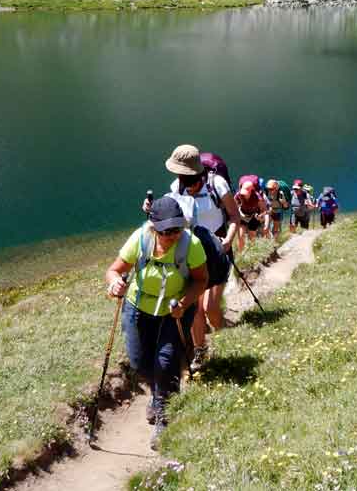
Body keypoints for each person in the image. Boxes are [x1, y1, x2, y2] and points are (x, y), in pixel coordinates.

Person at [105, 196, 208, 442]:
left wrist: (183, 304)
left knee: (166, 361)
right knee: (140, 362)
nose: (172, 235)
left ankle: (164, 414)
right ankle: (157, 394)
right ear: (154, 228)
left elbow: (201, 280)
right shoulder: (140, 239)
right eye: (166, 231)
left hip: (175, 310)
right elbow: (113, 270)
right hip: (138, 307)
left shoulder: (190, 244)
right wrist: (115, 284)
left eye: (176, 229)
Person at [154, 145, 243, 372]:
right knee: (195, 309)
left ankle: (224, 336)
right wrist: (151, 211)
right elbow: (170, 218)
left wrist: (229, 241)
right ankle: (201, 350)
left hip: (217, 251)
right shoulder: (176, 187)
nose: (180, 178)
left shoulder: (217, 185)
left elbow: (234, 216)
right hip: (192, 255)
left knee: (211, 307)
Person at [235, 175, 268, 249]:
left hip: (254, 216)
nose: (244, 195)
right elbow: (234, 207)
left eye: (246, 192)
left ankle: (252, 251)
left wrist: (260, 216)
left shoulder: (257, 197)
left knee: (252, 235)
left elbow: (265, 210)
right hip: (243, 215)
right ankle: (241, 254)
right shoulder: (238, 195)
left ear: (251, 191)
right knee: (240, 236)